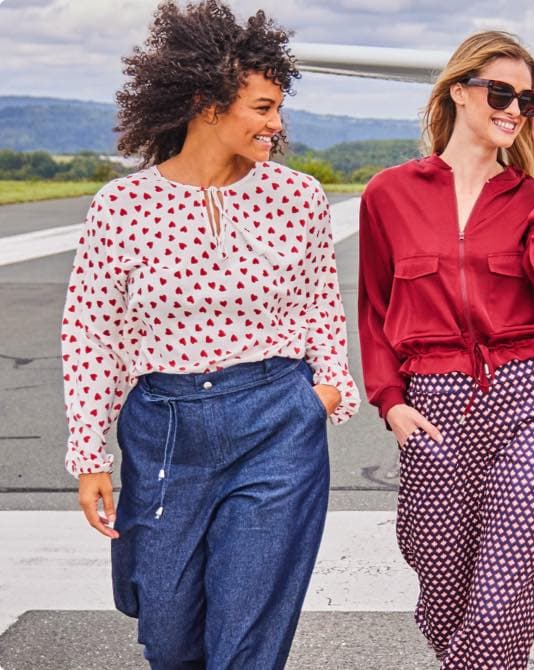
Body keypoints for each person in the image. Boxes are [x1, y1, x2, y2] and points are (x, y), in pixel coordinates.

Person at [61, 2, 358, 667]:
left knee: (246, 637)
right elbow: (90, 329)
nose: (277, 125)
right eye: (262, 107)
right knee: (169, 638)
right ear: (208, 104)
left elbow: (320, 306)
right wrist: (90, 455)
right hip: (166, 430)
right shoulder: (123, 205)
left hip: (278, 423)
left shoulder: (299, 197)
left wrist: (328, 392)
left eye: (278, 107)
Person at [356, 30, 534, 670]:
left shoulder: (533, 197)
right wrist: (390, 402)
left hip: (529, 400)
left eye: (529, 100)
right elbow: (375, 310)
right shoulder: (389, 194)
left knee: (507, 588)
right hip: (432, 405)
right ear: (459, 90)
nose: (515, 109)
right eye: (502, 92)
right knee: (442, 587)